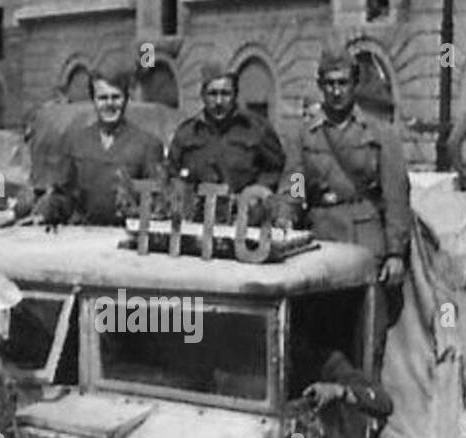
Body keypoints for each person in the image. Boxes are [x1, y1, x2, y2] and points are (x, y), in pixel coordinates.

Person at [281, 47, 412, 375]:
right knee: (318, 334)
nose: (336, 91)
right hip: (321, 241)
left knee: (366, 338)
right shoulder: (304, 133)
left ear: (354, 85)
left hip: (366, 241)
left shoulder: (380, 132)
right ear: (320, 85)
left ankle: (365, 412)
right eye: (329, 84)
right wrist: (286, 216)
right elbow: (295, 183)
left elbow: (396, 194)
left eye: (343, 83)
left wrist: (396, 251)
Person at [34, 70, 165, 226]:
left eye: (115, 97)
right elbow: (65, 195)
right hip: (84, 236)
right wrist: (50, 207)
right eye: (102, 98)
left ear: (126, 99)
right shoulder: (77, 140)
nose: (109, 103)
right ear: (94, 101)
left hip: (127, 237)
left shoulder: (148, 144)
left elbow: (157, 201)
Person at [166, 63, 285, 201]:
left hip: (242, 214)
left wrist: (258, 190)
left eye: (225, 94)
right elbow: (171, 173)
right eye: (212, 94)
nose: (218, 101)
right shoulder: (187, 133)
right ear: (202, 96)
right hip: (196, 217)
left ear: (235, 95)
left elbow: (277, 169)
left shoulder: (257, 129)